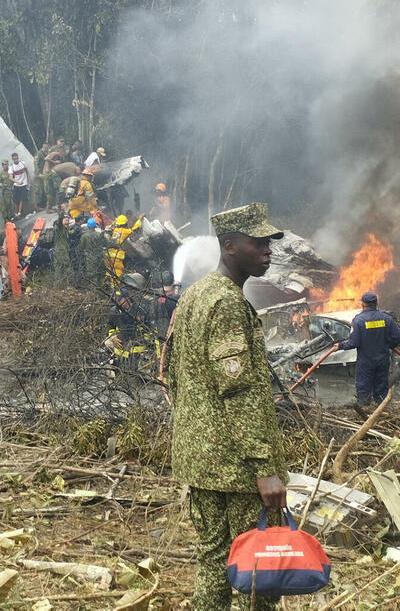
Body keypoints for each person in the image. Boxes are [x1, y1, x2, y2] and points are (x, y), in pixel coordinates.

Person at [166, 202, 288, 610]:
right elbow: (239, 393)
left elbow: (172, 373)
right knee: (257, 573)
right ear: (230, 246)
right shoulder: (229, 305)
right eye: (259, 243)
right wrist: (265, 470)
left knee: (214, 562)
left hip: (200, 461)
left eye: (269, 243)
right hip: (237, 470)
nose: (268, 251)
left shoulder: (196, 295)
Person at [337, 292, 400, 407]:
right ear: (376, 304)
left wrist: (340, 346)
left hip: (366, 361)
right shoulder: (386, 319)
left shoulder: (358, 320)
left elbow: (354, 342)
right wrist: (388, 345)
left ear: (363, 304)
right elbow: (397, 337)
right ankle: (381, 412)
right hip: (382, 360)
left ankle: (364, 412)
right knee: (381, 387)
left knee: (363, 388)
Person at [106, 280, 151, 371]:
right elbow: (110, 325)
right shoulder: (114, 311)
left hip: (138, 350)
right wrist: (113, 337)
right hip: (121, 350)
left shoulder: (140, 309)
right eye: (116, 300)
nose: (118, 302)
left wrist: (146, 340)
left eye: (120, 299)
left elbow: (149, 325)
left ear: (127, 298)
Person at [78, 217, 108, 286]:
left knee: (92, 274)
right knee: (101, 273)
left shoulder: (84, 236)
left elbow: (81, 247)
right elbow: (106, 244)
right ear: (95, 226)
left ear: (88, 226)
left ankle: (94, 289)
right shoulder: (99, 234)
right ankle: (102, 288)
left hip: (90, 257)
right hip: (100, 256)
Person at [9, 152, 29, 217]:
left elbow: (27, 171)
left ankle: (19, 212)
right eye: (14, 159)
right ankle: (15, 212)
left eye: (17, 158)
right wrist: (17, 182)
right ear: (12, 159)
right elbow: (10, 177)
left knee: (22, 199)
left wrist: (28, 181)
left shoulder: (23, 163)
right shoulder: (11, 167)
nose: (16, 160)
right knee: (15, 199)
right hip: (16, 185)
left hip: (24, 183)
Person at [33, 142, 49, 210]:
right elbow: (35, 163)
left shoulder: (46, 153)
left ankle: (43, 204)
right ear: (44, 146)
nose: (47, 148)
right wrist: (38, 172)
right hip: (38, 175)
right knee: (38, 190)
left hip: (44, 174)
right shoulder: (39, 153)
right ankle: (37, 206)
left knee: (44, 190)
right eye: (47, 147)